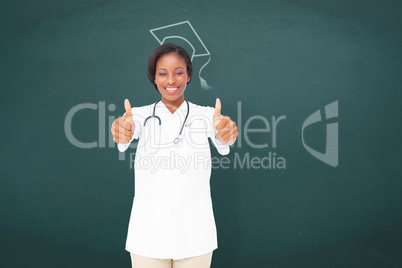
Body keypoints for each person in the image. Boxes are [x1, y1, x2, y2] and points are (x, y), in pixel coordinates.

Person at [111, 43, 238, 268]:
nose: (171, 80)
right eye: (163, 73)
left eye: (179, 72)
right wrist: (121, 130)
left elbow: (224, 138)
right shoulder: (138, 116)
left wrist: (226, 132)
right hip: (149, 233)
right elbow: (124, 133)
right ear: (154, 78)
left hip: (195, 233)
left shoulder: (207, 115)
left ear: (189, 76)